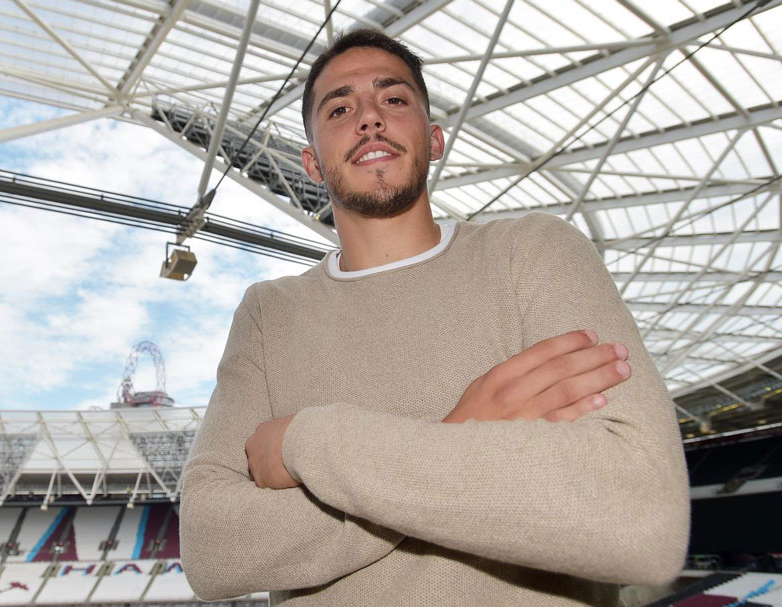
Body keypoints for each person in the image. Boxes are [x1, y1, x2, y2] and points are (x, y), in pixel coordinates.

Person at [179, 29, 689, 607]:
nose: (369, 118)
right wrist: (466, 436)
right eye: (340, 108)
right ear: (311, 164)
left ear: (436, 137)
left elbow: (642, 521)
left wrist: (307, 440)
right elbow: (211, 548)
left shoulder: (535, 250)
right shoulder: (269, 314)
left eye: (393, 100)